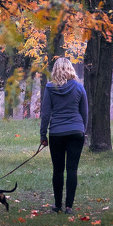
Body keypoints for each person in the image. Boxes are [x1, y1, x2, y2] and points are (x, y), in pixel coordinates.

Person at [39, 56, 88, 213]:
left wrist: (43, 135)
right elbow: (84, 112)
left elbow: (45, 114)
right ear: (70, 69)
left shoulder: (49, 88)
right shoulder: (79, 88)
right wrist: (83, 130)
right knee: (72, 169)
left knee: (58, 170)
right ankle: (69, 207)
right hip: (76, 132)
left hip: (57, 133)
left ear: (55, 70)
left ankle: (58, 205)